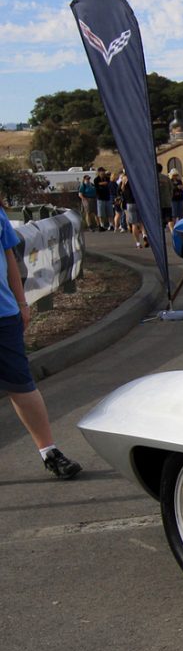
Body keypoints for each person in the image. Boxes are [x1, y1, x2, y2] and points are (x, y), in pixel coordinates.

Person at [0, 200, 81, 479]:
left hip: (4, 313)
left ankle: (49, 452)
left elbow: (9, 256)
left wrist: (21, 302)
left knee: (22, 385)